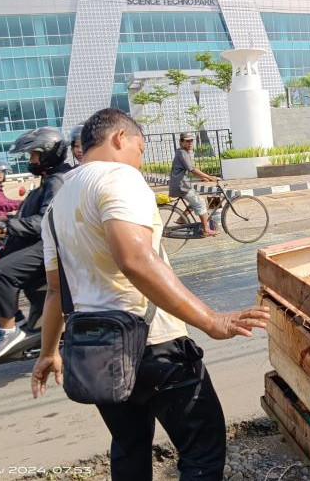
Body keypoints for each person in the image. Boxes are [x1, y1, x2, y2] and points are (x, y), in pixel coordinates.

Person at [30, 108, 269, 481]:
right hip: (156, 345)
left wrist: (48, 353)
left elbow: (56, 291)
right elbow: (136, 259)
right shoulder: (119, 176)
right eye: (140, 149)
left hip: (99, 354)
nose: (140, 160)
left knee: (129, 445)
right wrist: (211, 319)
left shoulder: (55, 208)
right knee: (202, 448)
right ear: (120, 138)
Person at [0, 127, 72, 360]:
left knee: (2, 271)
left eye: (34, 154)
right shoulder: (49, 179)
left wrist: (2, 227)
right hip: (46, 241)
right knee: (0, 257)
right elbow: (32, 212)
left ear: (49, 153)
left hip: (54, 245)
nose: (31, 159)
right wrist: (1, 219)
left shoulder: (57, 180)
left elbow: (44, 220)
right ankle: (20, 319)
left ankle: (7, 330)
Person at [168, 132, 218, 237]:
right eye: (187, 141)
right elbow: (192, 169)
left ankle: (182, 218)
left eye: (191, 141)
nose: (190, 143)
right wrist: (209, 177)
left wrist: (203, 177)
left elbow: (185, 170)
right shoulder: (182, 153)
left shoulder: (182, 152)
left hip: (179, 185)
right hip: (181, 186)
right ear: (181, 142)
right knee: (200, 203)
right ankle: (206, 230)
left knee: (195, 199)